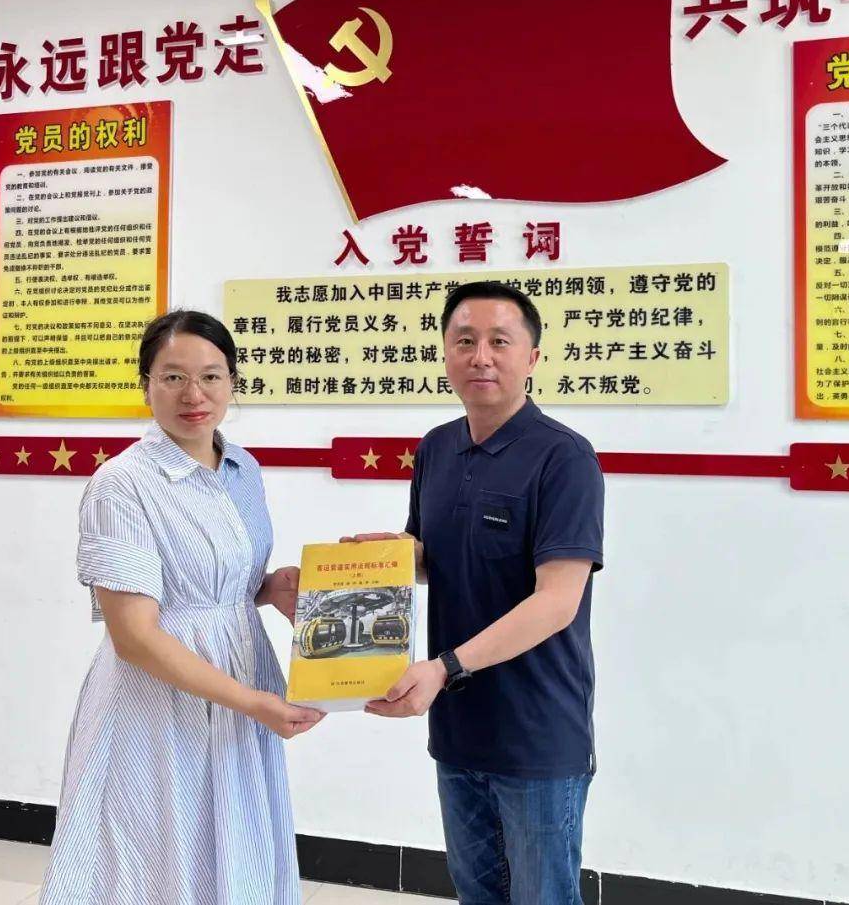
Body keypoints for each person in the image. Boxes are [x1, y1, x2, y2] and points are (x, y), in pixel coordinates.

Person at [40, 310, 323, 905]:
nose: (194, 395)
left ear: (232, 382)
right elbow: (135, 637)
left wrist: (268, 587)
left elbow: (216, 584)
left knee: (236, 848)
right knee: (157, 860)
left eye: (211, 376)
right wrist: (252, 702)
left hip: (240, 685)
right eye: (173, 377)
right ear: (145, 384)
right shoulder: (122, 484)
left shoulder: (243, 469)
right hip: (156, 702)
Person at [351, 281, 605, 905]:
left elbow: (557, 601)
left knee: (542, 897)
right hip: (459, 727)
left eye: (500, 341)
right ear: (445, 353)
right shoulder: (437, 448)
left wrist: (446, 666)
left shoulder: (565, 458)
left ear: (533, 357)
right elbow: (434, 557)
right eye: (465, 341)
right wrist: (378, 564)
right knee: (477, 893)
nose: (481, 357)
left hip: (537, 730)